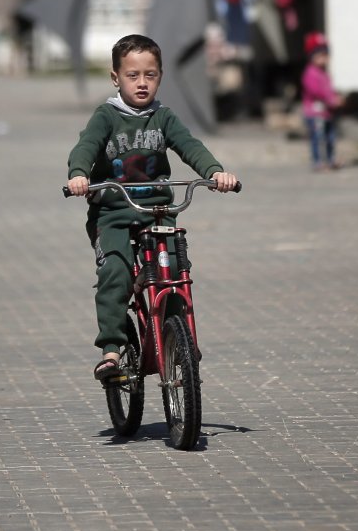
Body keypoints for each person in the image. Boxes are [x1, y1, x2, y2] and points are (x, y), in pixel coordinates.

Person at [66, 34, 238, 382]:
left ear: (160, 76)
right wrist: (79, 175)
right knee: (115, 271)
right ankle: (113, 349)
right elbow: (85, 147)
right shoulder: (107, 116)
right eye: (133, 75)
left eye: (150, 74)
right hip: (112, 213)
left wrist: (215, 172)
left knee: (175, 269)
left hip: (157, 213)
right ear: (116, 78)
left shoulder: (164, 117)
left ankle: (181, 340)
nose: (142, 83)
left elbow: (190, 146)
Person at [301, 38, 344, 171]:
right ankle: (318, 161)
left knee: (330, 138)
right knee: (318, 139)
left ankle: (331, 159)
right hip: (315, 113)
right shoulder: (310, 73)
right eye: (320, 56)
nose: (324, 59)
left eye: (326, 55)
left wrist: (336, 97)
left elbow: (329, 89)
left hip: (327, 112)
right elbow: (316, 91)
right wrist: (331, 100)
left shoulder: (324, 73)